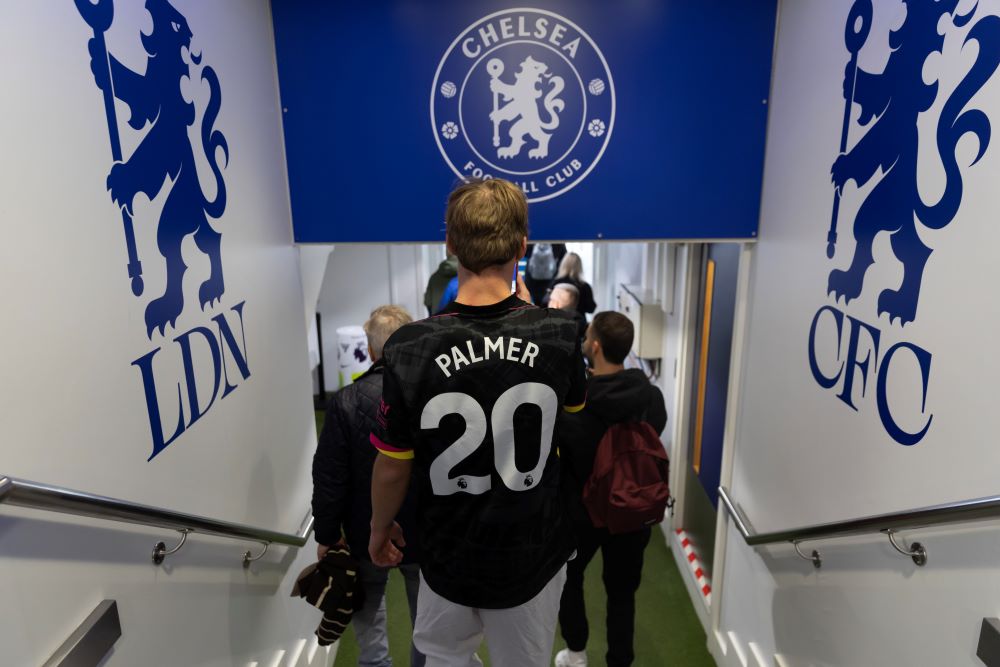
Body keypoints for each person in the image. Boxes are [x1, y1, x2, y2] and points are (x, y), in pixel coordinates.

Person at [368, 178, 587, 667]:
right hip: (531, 550)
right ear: (521, 245)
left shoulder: (407, 347)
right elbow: (570, 427)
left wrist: (379, 528)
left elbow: (391, 467)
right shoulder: (560, 333)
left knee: (444, 658)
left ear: (449, 244)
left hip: (447, 552)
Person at [312, 304, 425, 667]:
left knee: (370, 638)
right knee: (429, 630)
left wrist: (328, 536)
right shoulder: (431, 397)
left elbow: (330, 477)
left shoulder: (345, 402)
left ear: (372, 350)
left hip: (363, 534)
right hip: (423, 535)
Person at [554, 311, 667, 667]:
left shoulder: (575, 402)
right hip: (632, 511)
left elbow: (565, 454)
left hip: (582, 513)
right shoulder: (650, 397)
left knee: (569, 581)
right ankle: (620, 660)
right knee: (622, 594)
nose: (584, 341)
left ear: (596, 346)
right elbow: (655, 434)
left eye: (587, 336)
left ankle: (576, 653)